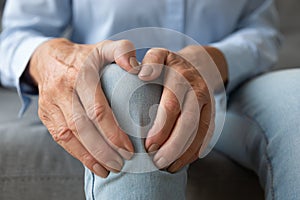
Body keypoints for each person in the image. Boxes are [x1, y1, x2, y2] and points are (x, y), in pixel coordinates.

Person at [1, 0, 299, 200]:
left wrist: (211, 61)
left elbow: (261, 30)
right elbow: (16, 36)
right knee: (134, 94)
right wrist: (51, 60)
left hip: (229, 86)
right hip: (111, 90)